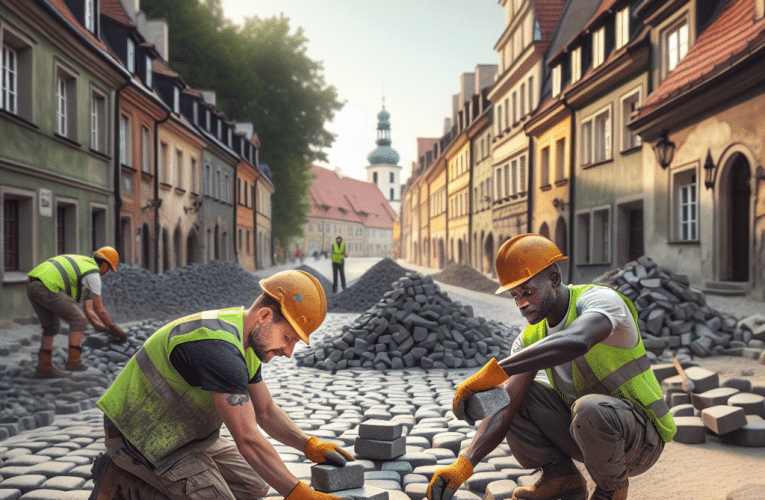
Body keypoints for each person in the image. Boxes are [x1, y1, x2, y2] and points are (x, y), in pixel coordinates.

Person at [428, 234, 676, 500]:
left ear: (554, 280)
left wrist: (497, 371)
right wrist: (465, 465)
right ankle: (561, 478)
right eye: (515, 295)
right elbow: (506, 407)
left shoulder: (600, 301)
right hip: (590, 435)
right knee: (513, 397)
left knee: (589, 408)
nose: (521, 302)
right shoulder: (530, 340)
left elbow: (576, 340)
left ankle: (611, 489)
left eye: (528, 292)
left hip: (641, 438)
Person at [92, 270, 355, 500]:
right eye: (288, 338)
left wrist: (308, 444)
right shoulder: (218, 350)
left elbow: (265, 411)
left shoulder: (245, 337)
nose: (288, 351)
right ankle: (121, 484)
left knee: (255, 487)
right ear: (264, 315)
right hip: (139, 437)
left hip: (186, 436)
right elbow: (248, 439)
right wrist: (297, 493)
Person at [26, 246, 127, 378]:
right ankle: (73, 361)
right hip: (46, 286)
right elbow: (99, 310)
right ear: (104, 264)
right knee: (78, 320)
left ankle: (44, 366)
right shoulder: (93, 275)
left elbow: (89, 310)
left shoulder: (83, 266)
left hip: (32, 283)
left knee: (51, 327)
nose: (107, 272)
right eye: (109, 268)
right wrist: (114, 328)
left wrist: (103, 329)